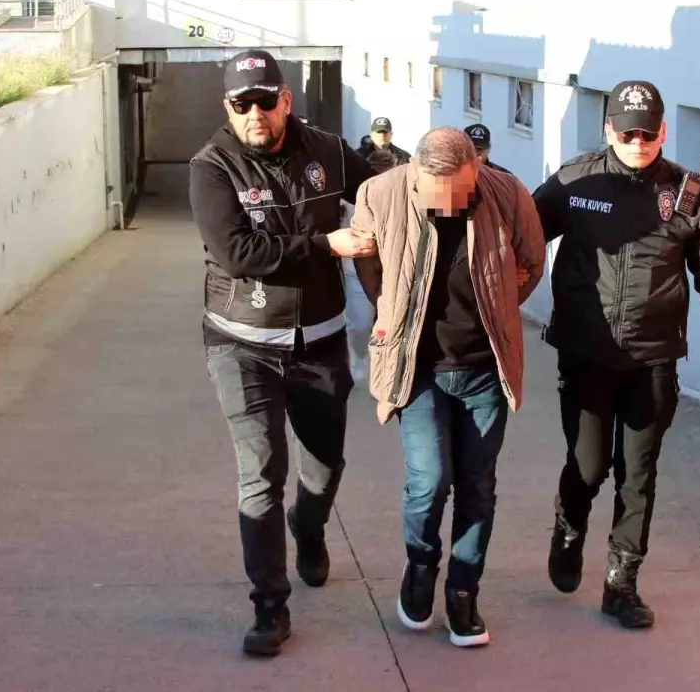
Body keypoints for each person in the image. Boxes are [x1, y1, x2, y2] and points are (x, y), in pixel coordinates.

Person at [531, 80, 700, 630]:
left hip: (652, 359)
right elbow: (521, 239)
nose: (638, 143)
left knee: (638, 475)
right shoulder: (574, 182)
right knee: (588, 467)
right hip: (586, 354)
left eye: (648, 134)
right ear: (609, 129)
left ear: (663, 131)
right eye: (628, 133)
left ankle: (621, 585)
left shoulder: (687, 195)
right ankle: (568, 528)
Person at [188, 49, 378, 657]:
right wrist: (324, 244)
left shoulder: (328, 151)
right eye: (241, 104)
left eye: (265, 102)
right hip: (241, 344)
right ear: (227, 107)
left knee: (323, 467)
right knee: (260, 476)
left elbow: (382, 188)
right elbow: (238, 253)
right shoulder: (212, 166)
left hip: (320, 341)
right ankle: (269, 607)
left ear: (285, 100)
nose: (255, 114)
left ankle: (310, 528)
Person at [350, 127, 546, 647]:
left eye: (457, 195)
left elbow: (531, 263)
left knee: (478, 485)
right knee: (430, 480)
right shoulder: (380, 193)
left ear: (474, 171)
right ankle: (420, 567)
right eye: (434, 197)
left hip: (484, 369)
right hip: (418, 369)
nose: (446, 207)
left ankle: (463, 590)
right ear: (414, 173)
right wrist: (389, 311)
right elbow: (366, 257)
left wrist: (498, 309)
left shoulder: (509, 195)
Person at [341, 149, 398, 384]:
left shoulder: (403, 194)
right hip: (356, 271)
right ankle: (358, 357)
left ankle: (389, 369)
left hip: (394, 271)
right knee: (361, 324)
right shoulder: (352, 196)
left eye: (387, 170)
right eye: (378, 170)